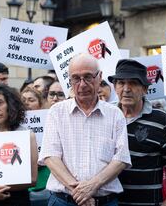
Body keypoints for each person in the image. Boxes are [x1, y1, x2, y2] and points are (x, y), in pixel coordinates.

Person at [39, 53, 131, 205]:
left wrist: (93, 185)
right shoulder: (56, 112)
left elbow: (121, 159)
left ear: (99, 77)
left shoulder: (115, 114)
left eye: (88, 77)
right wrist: (81, 193)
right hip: (63, 201)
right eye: (76, 78)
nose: (82, 84)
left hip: (104, 201)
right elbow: (50, 156)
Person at [108, 59, 166, 206]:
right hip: (110, 202)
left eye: (133, 83)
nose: (126, 89)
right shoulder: (106, 116)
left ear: (145, 89)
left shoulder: (161, 120)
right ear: (115, 87)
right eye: (121, 83)